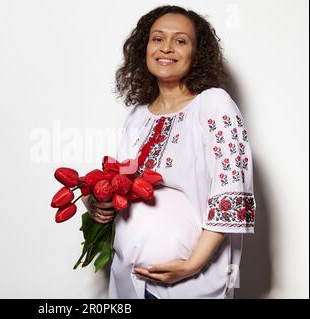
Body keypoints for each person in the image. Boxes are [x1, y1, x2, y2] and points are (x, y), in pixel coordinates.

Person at [81, 5, 256, 299]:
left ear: (196, 53)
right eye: (157, 39)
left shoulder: (212, 104)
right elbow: (121, 179)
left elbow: (231, 191)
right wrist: (93, 199)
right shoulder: (137, 115)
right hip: (130, 281)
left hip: (189, 283)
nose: (167, 48)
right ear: (144, 48)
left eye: (180, 40)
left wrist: (191, 264)